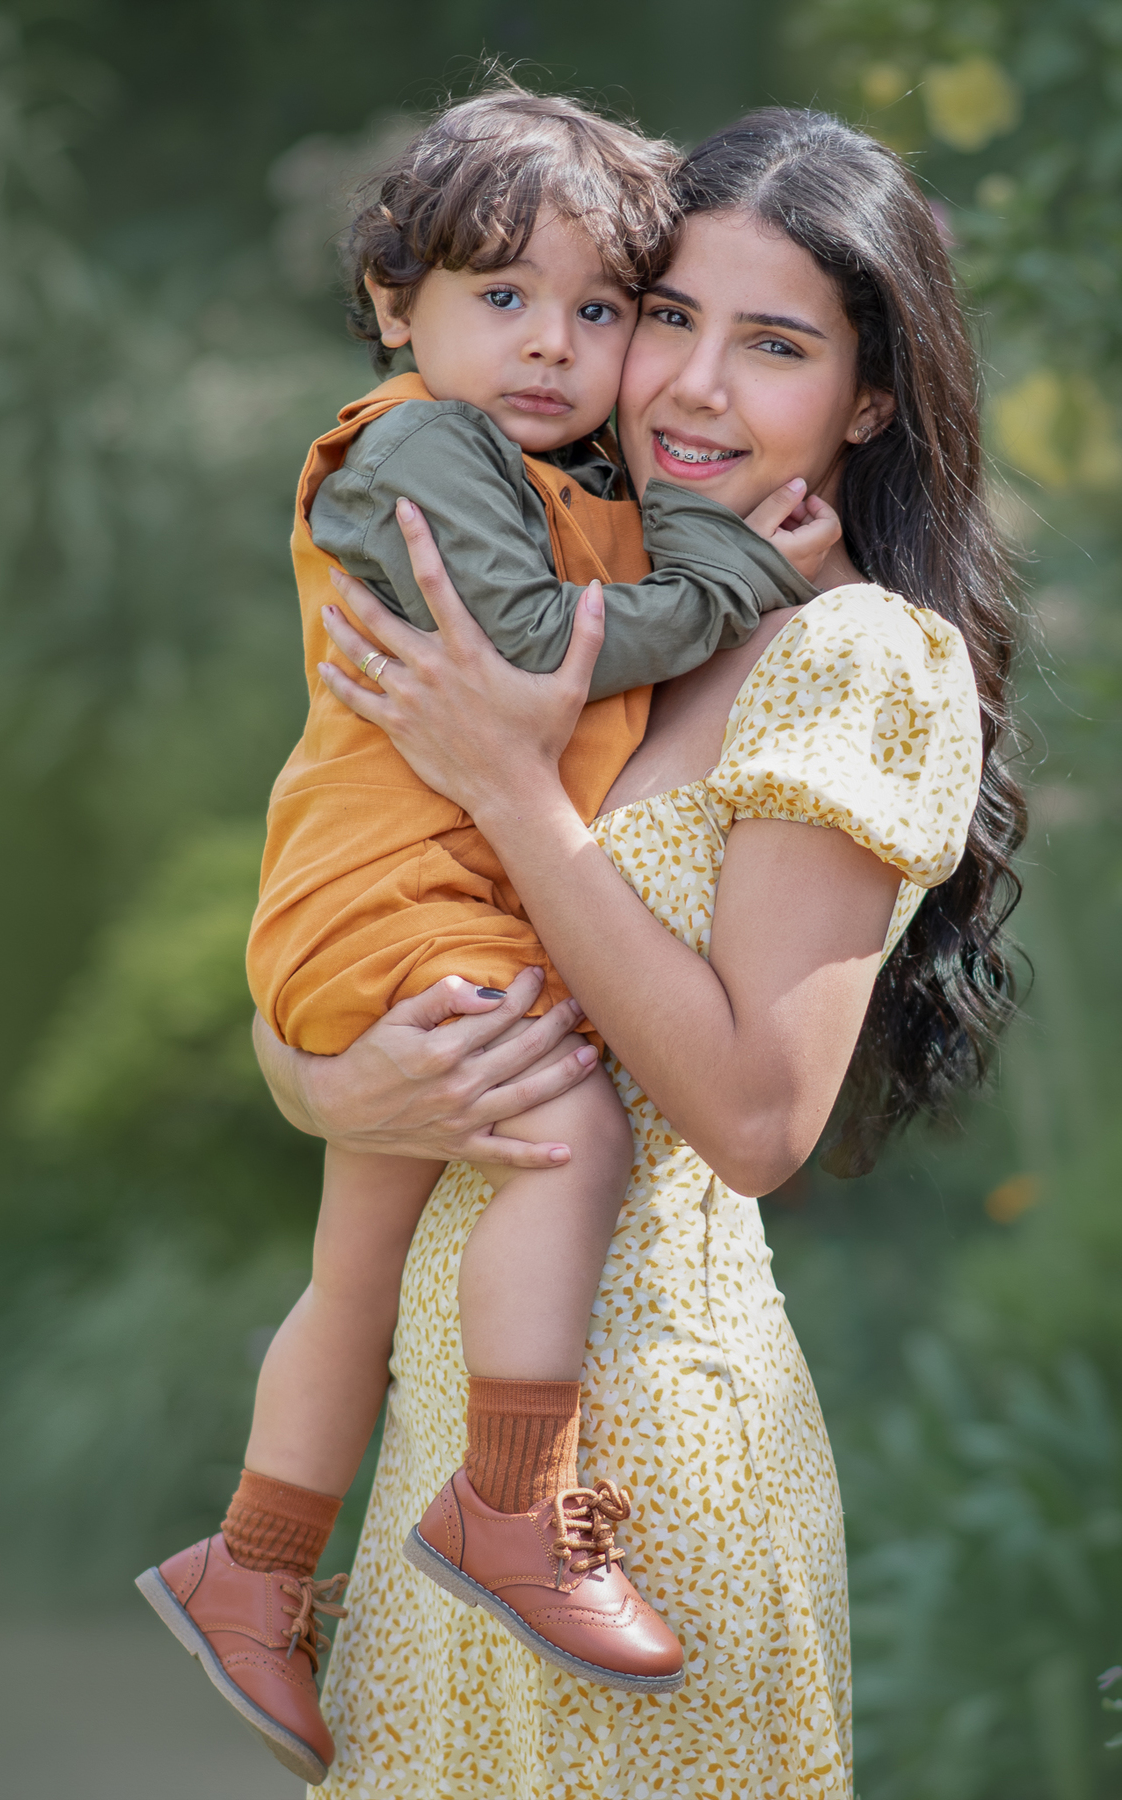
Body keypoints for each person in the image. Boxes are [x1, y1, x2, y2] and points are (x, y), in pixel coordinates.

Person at [258, 107, 1024, 1798]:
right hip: (447, 1475)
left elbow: (757, 1121)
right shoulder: (619, 597)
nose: (687, 384)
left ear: (870, 400)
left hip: (646, 1478)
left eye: (774, 346)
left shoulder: (854, 653)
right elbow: (384, 897)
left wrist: (516, 791)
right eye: (662, 315)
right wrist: (327, 1079)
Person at [138, 85, 843, 1782]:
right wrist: (736, 572)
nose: (554, 346)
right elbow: (529, 656)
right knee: (568, 1126)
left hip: (406, 900)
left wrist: (696, 547)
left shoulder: (541, 467)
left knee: (353, 1276)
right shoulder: (422, 450)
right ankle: (512, 1500)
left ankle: (251, 1563)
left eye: (599, 309)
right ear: (397, 307)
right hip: (404, 898)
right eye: (501, 297)